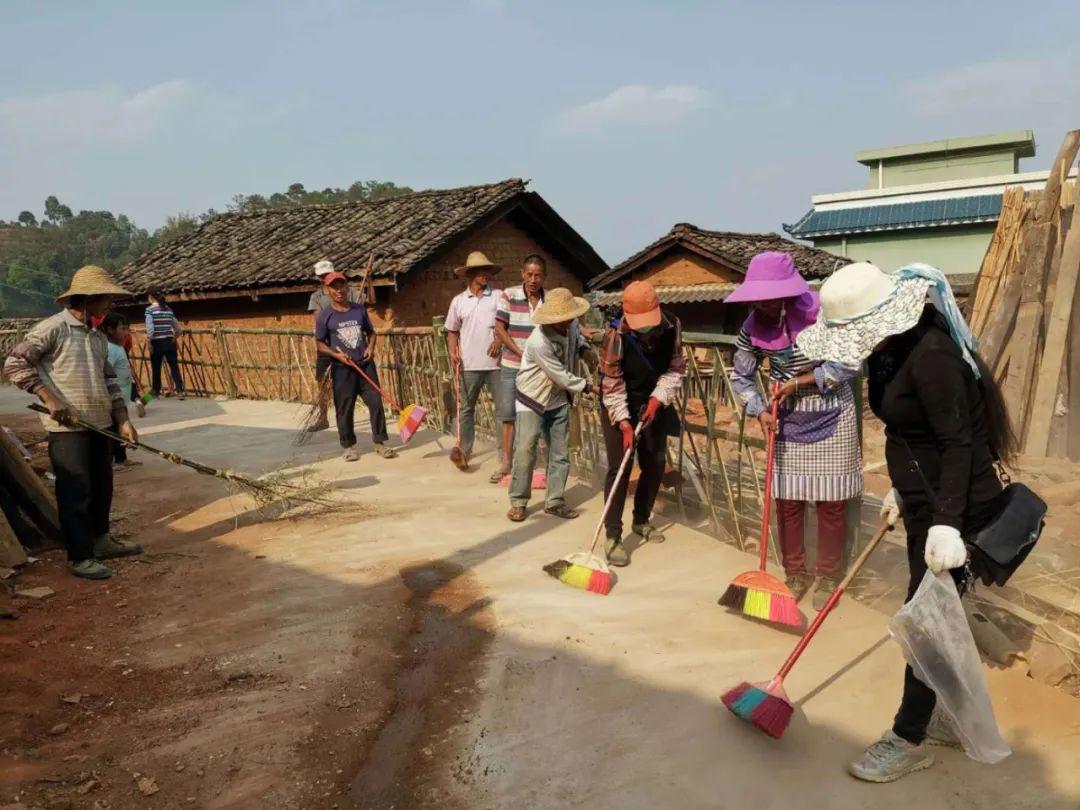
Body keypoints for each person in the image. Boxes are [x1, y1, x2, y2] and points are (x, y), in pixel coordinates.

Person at [797, 261, 1013, 783]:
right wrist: (902, 486)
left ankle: (909, 736)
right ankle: (943, 715)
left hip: (957, 509)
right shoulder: (891, 350)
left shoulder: (932, 356)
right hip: (924, 498)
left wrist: (944, 523)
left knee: (925, 618)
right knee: (937, 616)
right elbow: (910, 432)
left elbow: (960, 444)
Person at [726, 251, 863, 609]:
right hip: (785, 416)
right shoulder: (752, 326)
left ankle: (829, 575)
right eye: (758, 298)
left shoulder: (822, 313)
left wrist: (803, 381)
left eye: (770, 297)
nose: (764, 305)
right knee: (789, 501)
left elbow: (849, 361)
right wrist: (758, 411)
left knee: (832, 502)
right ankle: (796, 572)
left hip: (832, 412)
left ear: (788, 292)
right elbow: (741, 375)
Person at [3, 265, 143, 580]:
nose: (110, 303)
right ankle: (80, 556)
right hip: (67, 429)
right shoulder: (53, 329)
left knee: (102, 487)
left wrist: (122, 420)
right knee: (75, 492)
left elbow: (110, 382)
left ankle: (101, 540)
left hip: (99, 424)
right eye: (106, 297)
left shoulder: (96, 337)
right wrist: (50, 400)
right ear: (88, 297)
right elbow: (15, 363)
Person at [598, 281, 686, 567]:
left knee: (655, 462)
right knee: (620, 467)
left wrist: (657, 400)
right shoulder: (616, 337)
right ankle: (612, 535)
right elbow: (611, 383)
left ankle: (641, 519)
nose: (646, 332)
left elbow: (675, 369)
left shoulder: (672, 326)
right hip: (621, 400)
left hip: (653, 400)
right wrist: (623, 423)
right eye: (640, 327)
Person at [507, 288, 593, 522]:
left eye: (569, 318)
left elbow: (578, 339)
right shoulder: (538, 342)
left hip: (558, 398)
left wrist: (584, 349)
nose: (567, 322)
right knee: (525, 449)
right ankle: (518, 500)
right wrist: (589, 386)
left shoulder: (572, 325)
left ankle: (555, 500)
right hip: (532, 397)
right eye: (563, 319)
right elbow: (560, 375)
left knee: (560, 451)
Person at [314, 271, 397, 462]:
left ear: (346, 287)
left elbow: (372, 333)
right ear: (327, 290)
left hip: (365, 365)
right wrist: (336, 355)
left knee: (375, 401)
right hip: (343, 368)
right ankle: (349, 446)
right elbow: (319, 343)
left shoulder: (358, 310)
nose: (338, 290)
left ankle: (379, 443)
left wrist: (370, 347)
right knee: (345, 407)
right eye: (333, 287)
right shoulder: (325, 316)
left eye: (341, 286)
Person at [445, 251, 503, 478]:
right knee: (467, 409)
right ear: (470, 275)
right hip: (469, 364)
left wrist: (499, 339)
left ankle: (504, 454)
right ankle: (465, 451)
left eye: (487, 271)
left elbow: (505, 323)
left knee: (503, 410)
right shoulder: (458, 302)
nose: (486, 275)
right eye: (481, 272)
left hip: (496, 364)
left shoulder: (498, 296)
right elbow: (452, 331)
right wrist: (453, 353)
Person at [493, 255, 548, 483]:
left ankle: (539, 462)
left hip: (539, 369)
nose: (533, 279)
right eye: (530, 274)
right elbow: (499, 328)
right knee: (508, 415)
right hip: (512, 365)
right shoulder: (509, 295)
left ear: (544, 277)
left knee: (540, 413)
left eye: (538, 275)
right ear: (522, 274)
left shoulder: (550, 300)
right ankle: (506, 463)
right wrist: (519, 352)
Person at [306, 259, 363, 432]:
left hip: (348, 344)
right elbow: (319, 320)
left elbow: (363, 307)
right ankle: (323, 418)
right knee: (322, 382)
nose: (326, 277)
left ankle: (349, 417)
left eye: (328, 274)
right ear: (319, 279)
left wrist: (368, 280)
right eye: (323, 276)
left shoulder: (349, 292)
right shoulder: (316, 297)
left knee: (353, 382)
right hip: (327, 346)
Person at [101, 312, 142, 470]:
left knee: (120, 428)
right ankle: (113, 461)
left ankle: (121, 458)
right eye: (123, 329)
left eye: (128, 329)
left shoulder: (118, 348)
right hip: (112, 399)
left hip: (122, 398)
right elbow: (106, 374)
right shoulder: (109, 349)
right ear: (110, 330)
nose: (126, 333)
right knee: (113, 429)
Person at [145, 289, 185, 400]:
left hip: (157, 342)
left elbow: (150, 328)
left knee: (156, 368)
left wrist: (149, 341)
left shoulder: (149, 310)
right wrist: (175, 336)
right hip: (169, 341)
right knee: (174, 367)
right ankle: (180, 391)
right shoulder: (168, 309)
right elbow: (177, 327)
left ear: (151, 297)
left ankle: (155, 392)